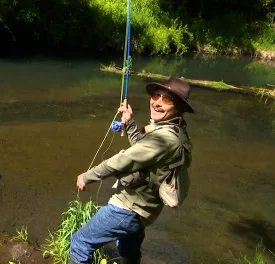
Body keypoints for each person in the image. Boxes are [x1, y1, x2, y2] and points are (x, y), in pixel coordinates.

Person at [69, 77, 194, 264]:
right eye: (156, 96)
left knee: (80, 243)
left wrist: (87, 176)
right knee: (127, 250)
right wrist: (130, 122)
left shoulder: (166, 139)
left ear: (180, 107)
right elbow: (144, 150)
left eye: (167, 99)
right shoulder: (176, 132)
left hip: (127, 209)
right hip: (144, 213)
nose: (157, 102)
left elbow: (122, 161)